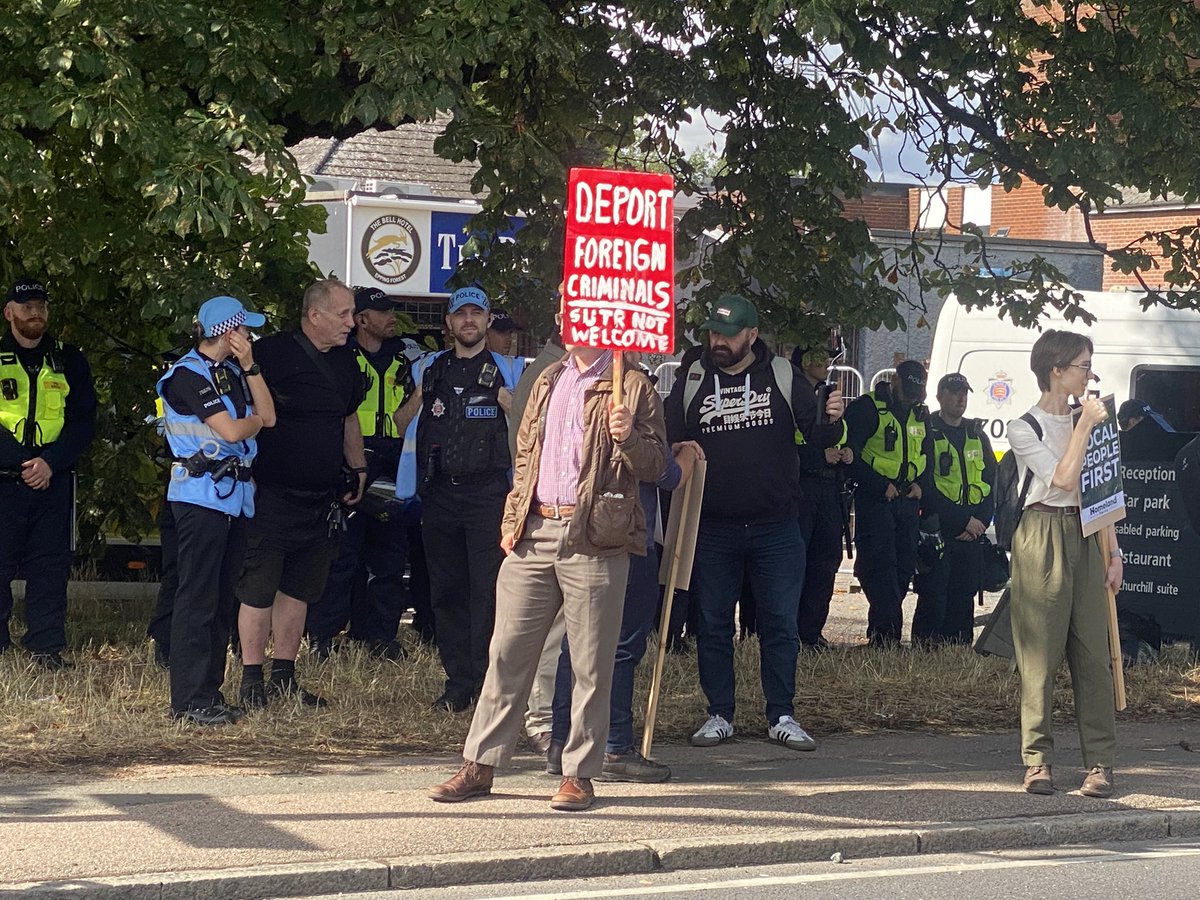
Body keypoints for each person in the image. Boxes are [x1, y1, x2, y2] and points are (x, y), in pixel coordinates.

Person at [426, 343, 666, 811]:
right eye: (563, 307)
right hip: (534, 528)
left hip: (596, 534)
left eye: (574, 307)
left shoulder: (633, 385)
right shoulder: (547, 378)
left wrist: (628, 438)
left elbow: (655, 465)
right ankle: (480, 763)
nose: (565, 317)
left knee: (590, 663)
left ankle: (578, 774)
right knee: (507, 652)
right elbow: (525, 452)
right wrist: (515, 516)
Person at [664, 295, 844, 752]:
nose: (717, 341)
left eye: (728, 334)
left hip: (777, 527)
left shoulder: (782, 376)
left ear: (752, 335)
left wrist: (833, 419)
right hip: (713, 527)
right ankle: (719, 714)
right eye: (712, 332)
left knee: (781, 623)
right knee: (712, 622)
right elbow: (668, 434)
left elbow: (818, 435)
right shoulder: (694, 377)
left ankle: (781, 714)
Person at [235, 279, 366, 710]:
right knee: (258, 588)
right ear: (315, 316)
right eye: (344, 314)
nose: (352, 322)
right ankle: (251, 680)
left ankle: (285, 676)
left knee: (300, 590)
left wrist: (358, 468)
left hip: (321, 499)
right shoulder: (270, 354)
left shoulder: (348, 361)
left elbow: (348, 419)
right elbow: (240, 412)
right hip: (269, 494)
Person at [546, 432, 703, 782]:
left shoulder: (575, 394)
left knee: (576, 644)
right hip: (626, 537)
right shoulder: (630, 396)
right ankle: (614, 747)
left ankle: (561, 742)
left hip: (583, 534)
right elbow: (665, 474)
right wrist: (687, 457)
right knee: (620, 648)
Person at [395, 287, 521, 712]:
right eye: (460, 314)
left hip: (488, 495)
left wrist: (511, 406)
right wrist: (418, 398)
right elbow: (400, 424)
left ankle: (489, 684)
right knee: (446, 591)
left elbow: (530, 430)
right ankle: (457, 682)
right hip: (439, 495)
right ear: (448, 323)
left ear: (488, 321)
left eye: (477, 313)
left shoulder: (509, 370)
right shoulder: (429, 369)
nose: (469, 320)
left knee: (487, 592)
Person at [1007, 329, 1121, 799]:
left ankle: (1100, 763)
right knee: (1040, 657)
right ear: (1056, 370)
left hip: (1089, 532)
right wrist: (1084, 427)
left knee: (1094, 656)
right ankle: (1037, 762)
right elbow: (1062, 477)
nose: (1088, 376)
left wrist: (1114, 553)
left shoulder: (1090, 420)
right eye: (1081, 366)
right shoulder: (1023, 427)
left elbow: (1100, 487)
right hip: (1042, 532)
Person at [156, 296, 275, 725]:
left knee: (223, 600)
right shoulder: (187, 375)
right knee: (197, 599)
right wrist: (254, 423)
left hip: (233, 498)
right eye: (246, 330)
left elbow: (270, 416)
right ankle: (187, 701)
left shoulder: (230, 373)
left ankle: (209, 694)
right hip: (199, 498)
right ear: (229, 332)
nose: (250, 337)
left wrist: (252, 368)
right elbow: (231, 428)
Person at [306, 287, 415, 662]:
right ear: (363, 320)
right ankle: (324, 635)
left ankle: (381, 636)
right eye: (382, 312)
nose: (391, 318)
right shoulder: (341, 358)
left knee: (389, 554)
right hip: (352, 458)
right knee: (341, 555)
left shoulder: (405, 360)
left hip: (393, 459)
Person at [0, 278, 96, 669]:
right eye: (26, 306)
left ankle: (45, 647)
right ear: (9, 313)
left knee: (50, 568)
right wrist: (23, 461)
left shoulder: (70, 359)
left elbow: (83, 421)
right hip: (5, 477)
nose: (34, 312)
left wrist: (49, 463)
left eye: (40, 305)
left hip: (54, 480)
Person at [844, 360, 933, 647]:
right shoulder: (867, 408)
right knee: (878, 567)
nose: (910, 399)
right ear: (894, 381)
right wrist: (881, 485)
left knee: (903, 568)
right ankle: (885, 637)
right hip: (876, 500)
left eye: (916, 394)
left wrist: (923, 485)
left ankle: (886, 634)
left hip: (908, 502)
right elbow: (851, 455)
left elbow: (927, 456)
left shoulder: (920, 413)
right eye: (907, 392)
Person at [911, 373, 996, 647]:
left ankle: (959, 648)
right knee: (934, 594)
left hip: (972, 533)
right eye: (955, 392)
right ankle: (927, 649)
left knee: (964, 593)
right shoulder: (927, 431)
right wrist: (961, 522)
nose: (961, 398)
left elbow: (990, 482)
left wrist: (980, 521)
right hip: (940, 529)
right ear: (940, 396)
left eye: (965, 393)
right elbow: (925, 485)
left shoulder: (976, 434)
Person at [791, 345, 852, 650]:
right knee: (795, 562)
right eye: (819, 356)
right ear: (804, 360)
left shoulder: (830, 397)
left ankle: (812, 632)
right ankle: (790, 632)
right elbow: (782, 448)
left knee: (826, 562)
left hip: (830, 489)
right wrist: (818, 456)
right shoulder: (791, 396)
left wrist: (847, 453)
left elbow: (842, 434)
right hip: (802, 487)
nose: (827, 362)